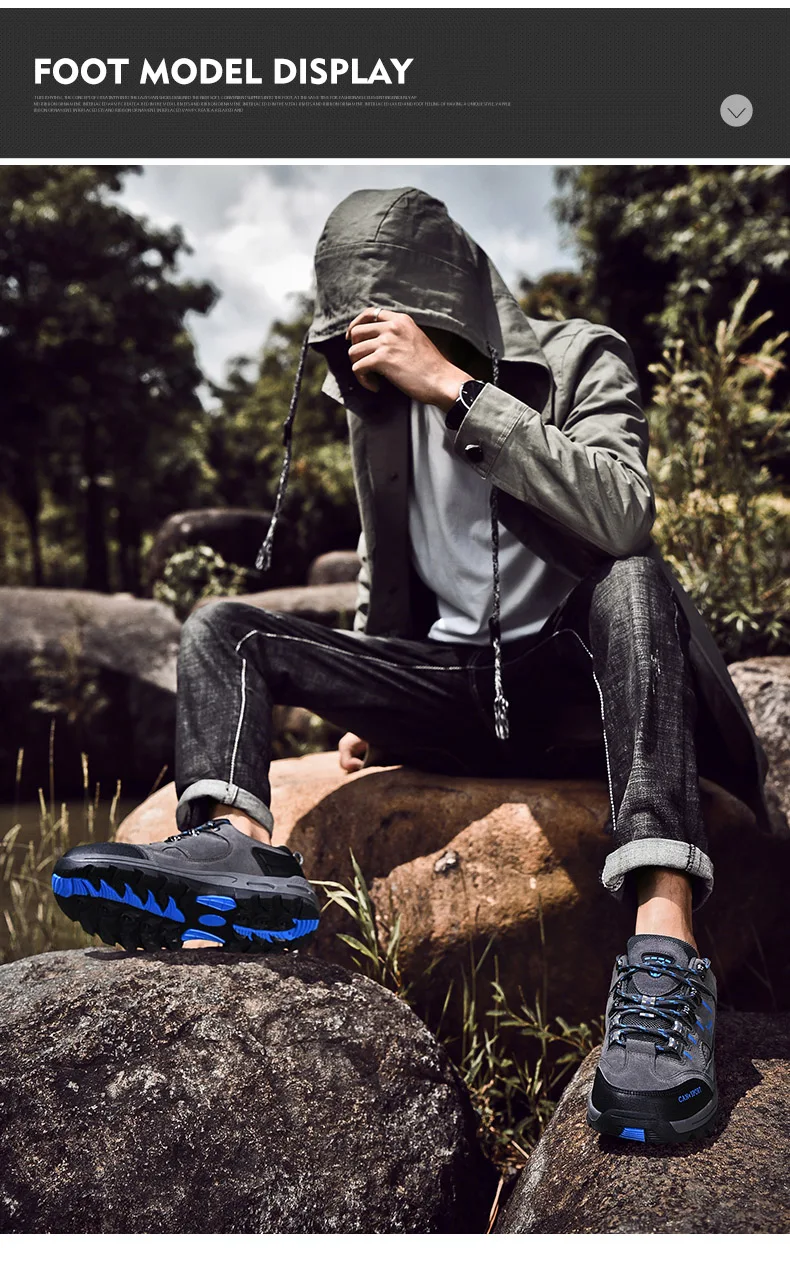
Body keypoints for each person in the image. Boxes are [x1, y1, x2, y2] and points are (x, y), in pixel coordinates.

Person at [53, 187, 769, 1146]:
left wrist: (455, 390)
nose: (365, 349)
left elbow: (623, 516)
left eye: (385, 320)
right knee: (226, 626)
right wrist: (373, 690)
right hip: (455, 683)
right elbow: (386, 564)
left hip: (579, 686)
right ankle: (235, 851)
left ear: (445, 299)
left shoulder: (578, 355)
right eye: (345, 330)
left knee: (636, 578)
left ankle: (663, 950)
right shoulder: (379, 413)